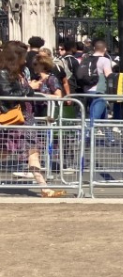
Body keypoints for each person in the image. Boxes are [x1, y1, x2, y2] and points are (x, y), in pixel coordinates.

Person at [0, 42, 64, 197]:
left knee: (33, 152)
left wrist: (29, 88)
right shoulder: (3, 73)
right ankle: (45, 189)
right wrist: (29, 88)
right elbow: (8, 94)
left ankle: (45, 188)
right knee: (4, 151)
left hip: (26, 117)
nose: (27, 59)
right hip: (13, 119)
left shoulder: (21, 72)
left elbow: (25, 91)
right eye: (24, 55)